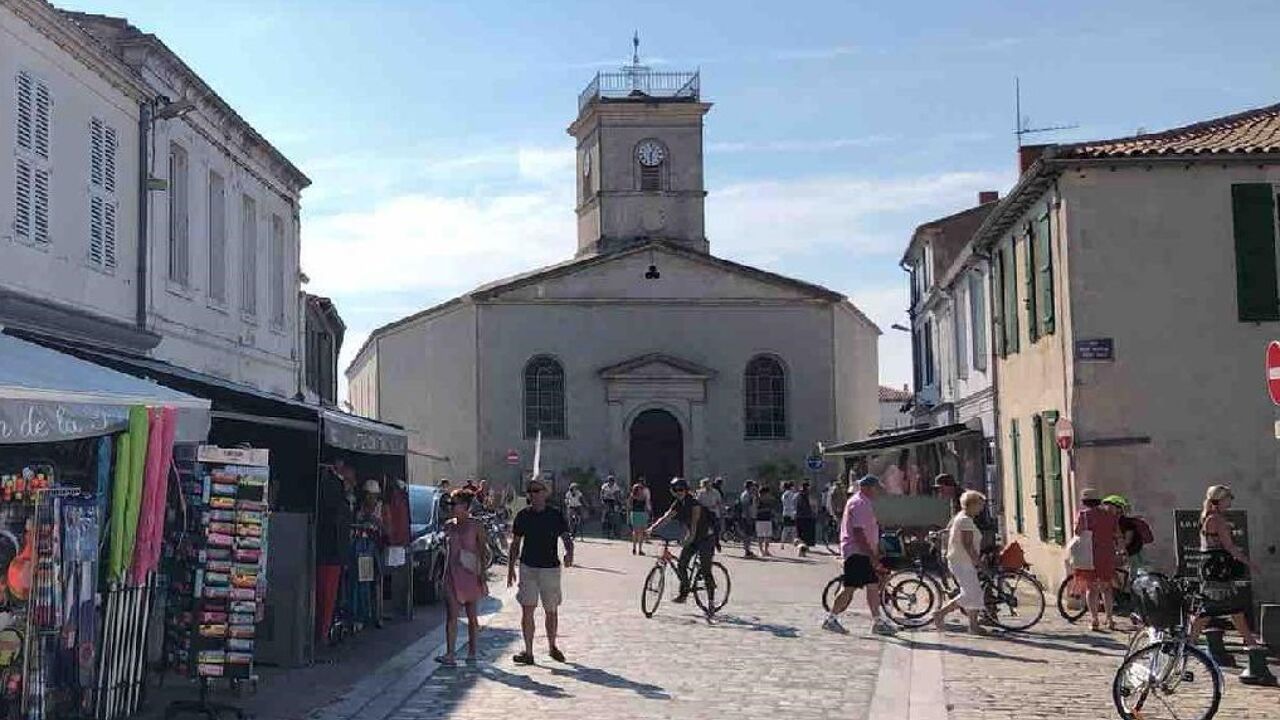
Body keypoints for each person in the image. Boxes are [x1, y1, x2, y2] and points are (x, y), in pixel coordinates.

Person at [507, 479, 574, 665]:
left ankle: (552, 646)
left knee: (551, 610)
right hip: (528, 567)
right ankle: (528, 652)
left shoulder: (555, 515)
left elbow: (566, 537)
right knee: (527, 609)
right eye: (530, 491)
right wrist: (511, 567)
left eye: (537, 491)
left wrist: (570, 552)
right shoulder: (523, 516)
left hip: (550, 568)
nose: (533, 494)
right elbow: (515, 543)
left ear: (546, 493)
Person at [1189, 485, 1261, 649]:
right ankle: (1189, 642)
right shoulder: (1216, 519)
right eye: (1229, 498)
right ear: (1220, 500)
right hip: (1217, 567)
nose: (1231, 501)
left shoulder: (1207, 516)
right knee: (1209, 608)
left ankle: (1251, 643)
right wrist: (1249, 563)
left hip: (1211, 565)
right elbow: (1230, 546)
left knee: (1230, 607)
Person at [822, 475, 895, 636]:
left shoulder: (862, 502)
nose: (878, 491)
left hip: (860, 552)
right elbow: (859, 532)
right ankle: (831, 619)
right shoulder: (860, 504)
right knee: (850, 588)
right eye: (876, 488)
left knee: (872, 587)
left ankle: (877, 622)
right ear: (867, 488)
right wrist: (872, 554)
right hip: (857, 552)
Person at [436, 489, 490, 666]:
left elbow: (482, 550)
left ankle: (472, 651)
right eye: (450, 504)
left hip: (470, 574)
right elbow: (446, 552)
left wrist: (482, 573)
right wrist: (443, 576)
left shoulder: (476, 525)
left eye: (454, 504)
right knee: (452, 615)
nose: (451, 507)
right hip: (452, 573)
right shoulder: (448, 525)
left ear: (465, 506)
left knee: (472, 616)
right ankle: (450, 654)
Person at [648, 477, 717, 605]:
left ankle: (711, 601)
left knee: (706, 568)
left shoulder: (694, 503)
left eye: (681, 489)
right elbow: (666, 517)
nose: (679, 492)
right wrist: (651, 529)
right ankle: (684, 593)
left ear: (686, 490)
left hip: (706, 538)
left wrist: (689, 538)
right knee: (681, 565)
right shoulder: (678, 504)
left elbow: (695, 523)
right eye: (676, 489)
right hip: (693, 537)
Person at [932, 491, 988, 634]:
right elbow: (967, 544)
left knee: (974, 593)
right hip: (962, 561)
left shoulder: (962, 517)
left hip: (961, 561)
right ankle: (940, 614)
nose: (981, 508)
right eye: (980, 505)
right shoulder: (965, 521)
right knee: (970, 593)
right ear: (973, 504)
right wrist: (978, 562)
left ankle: (973, 625)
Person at [1073, 488, 1120, 632]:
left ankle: (1094, 620)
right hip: (1106, 554)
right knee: (1106, 588)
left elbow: (1077, 532)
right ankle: (1110, 619)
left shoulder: (1083, 515)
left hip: (1090, 555)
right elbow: (1116, 533)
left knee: (1091, 589)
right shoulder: (1109, 515)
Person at [1103, 495, 1149, 573]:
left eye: (1110, 507)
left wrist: (1118, 551)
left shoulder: (1126, 523)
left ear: (1119, 509)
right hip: (1121, 555)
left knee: (1132, 578)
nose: (1106, 509)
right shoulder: (1109, 523)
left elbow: (1127, 541)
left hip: (1132, 555)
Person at [696, 478, 724, 551]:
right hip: (704, 513)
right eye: (705, 484)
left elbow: (719, 502)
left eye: (708, 484)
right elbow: (698, 503)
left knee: (716, 529)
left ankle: (717, 543)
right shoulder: (700, 493)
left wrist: (721, 512)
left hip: (714, 513)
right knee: (704, 530)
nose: (707, 485)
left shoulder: (715, 492)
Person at [628, 478, 651, 555]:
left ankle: (634, 548)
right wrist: (649, 512)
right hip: (641, 514)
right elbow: (647, 505)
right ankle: (640, 549)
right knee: (641, 532)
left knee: (635, 531)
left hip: (634, 513)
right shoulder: (643, 497)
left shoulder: (632, 496)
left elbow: (629, 505)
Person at [739, 481, 759, 558]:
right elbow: (746, 507)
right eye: (753, 486)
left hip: (752, 516)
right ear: (749, 486)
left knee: (749, 535)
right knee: (747, 535)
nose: (754, 487)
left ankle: (748, 550)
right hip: (747, 517)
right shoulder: (746, 495)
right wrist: (748, 518)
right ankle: (746, 551)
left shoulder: (752, 494)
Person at [795, 480, 816, 553]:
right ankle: (804, 548)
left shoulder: (797, 495)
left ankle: (801, 547)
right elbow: (812, 505)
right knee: (806, 534)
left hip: (799, 516)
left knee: (800, 534)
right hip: (807, 516)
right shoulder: (808, 495)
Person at [755, 486, 776, 557]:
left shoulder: (769, 500)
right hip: (760, 519)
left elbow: (771, 509)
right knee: (760, 536)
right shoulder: (757, 499)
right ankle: (761, 550)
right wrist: (766, 510)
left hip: (768, 519)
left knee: (768, 536)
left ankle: (766, 550)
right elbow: (756, 510)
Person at [779, 481, 798, 546]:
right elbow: (794, 503)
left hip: (785, 512)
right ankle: (794, 542)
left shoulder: (784, 494)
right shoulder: (793, 494)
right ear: (791, 487)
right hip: (792, 513)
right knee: (793, 528)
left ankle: (782, 542)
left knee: (785, 529)